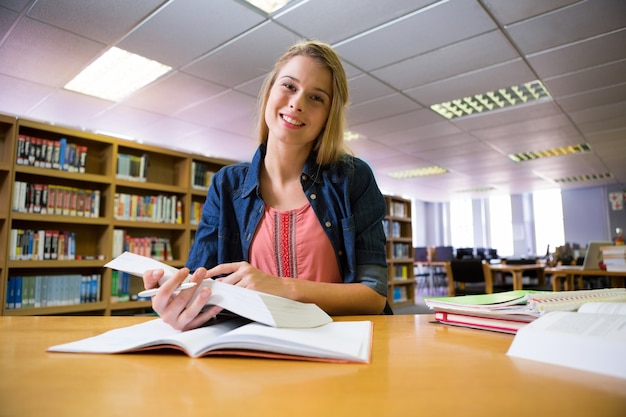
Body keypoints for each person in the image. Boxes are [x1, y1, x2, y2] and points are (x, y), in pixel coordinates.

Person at [143, 40, 390, 330]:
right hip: (253, 350)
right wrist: (179, 305)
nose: (297, 103)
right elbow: (203, 288)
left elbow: (374, 295)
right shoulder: (227, 185)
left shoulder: (352, 178)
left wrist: (285, 288)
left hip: (338, 346)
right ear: (270, 90)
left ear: (328, 116)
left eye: (316, 98)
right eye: (289, 86)